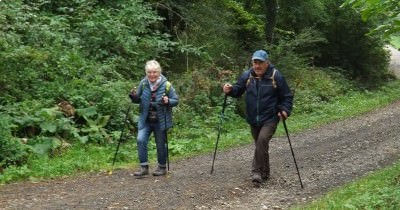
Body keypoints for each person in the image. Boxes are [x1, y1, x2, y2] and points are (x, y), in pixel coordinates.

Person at [223, 49, 293, 185]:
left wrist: (285, 110)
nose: (257, 66)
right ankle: (265, 172)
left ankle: (256, 172)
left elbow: (287, 96)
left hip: (271, 117)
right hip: (253, 118)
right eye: (255, 62)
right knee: (261, 145)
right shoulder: (247, 75)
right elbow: (238, 90)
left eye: (260, 63)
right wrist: (230, 90)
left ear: (267, 63)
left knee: (262, 141)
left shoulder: (275, 75)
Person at [129, 59, 179, 177]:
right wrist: (133, 96)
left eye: (154, 72)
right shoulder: (144, 83)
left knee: (161, 144)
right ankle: (144, 168)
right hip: (145, 120)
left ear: (159, 72)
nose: (152, 75)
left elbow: (176, 100)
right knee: (141, 140)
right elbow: (138, 99)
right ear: (146, 73)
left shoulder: (167, 85)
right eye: (149, 72)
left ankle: (162, 168)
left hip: (160, 121)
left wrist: (168, 101)